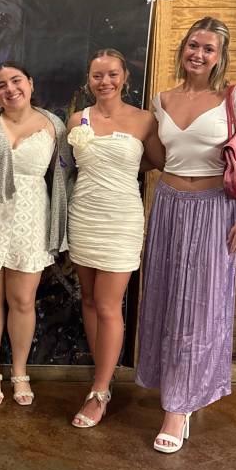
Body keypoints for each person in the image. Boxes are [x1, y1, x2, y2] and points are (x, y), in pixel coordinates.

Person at [136, 17, 236, 453]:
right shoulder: (162, 100)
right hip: (168, 205)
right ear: (183, 48)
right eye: (193, 45)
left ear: (220, 56)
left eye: (208, 48)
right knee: (165, 297)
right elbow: (156, 157)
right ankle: (176, 389)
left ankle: (178, 410)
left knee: (200, 304)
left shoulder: (235, 97)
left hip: (216, 209)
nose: (198, 54)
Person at [0, 61, 73, 405]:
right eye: (2, 85)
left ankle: (20, 372)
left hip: (30, 217)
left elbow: (62, 179)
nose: (10, 89)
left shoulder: (54, 126)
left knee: (23, 300)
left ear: (31, 83)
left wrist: (60, 229)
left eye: (16, 80)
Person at [66, 49, 163, 428]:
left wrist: (123, 169)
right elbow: (69, 167)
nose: (104, 82)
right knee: (89, 300)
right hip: (84, 216)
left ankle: (100, 392)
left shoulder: (144, 120)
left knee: (108, 305)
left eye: (111, 74)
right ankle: (101, 374)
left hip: (121, 219)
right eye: (97, 75)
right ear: (88, 80)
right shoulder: (78, 119)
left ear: (124, 78)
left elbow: (157, 161)